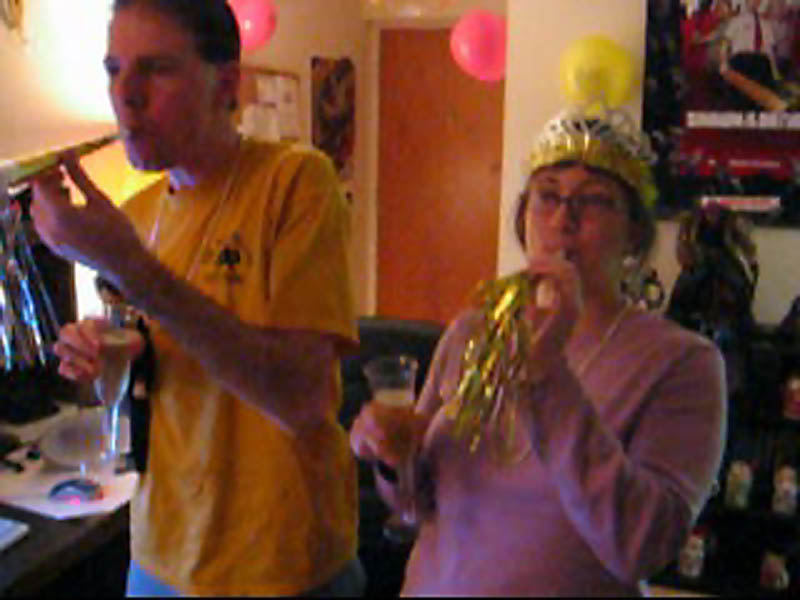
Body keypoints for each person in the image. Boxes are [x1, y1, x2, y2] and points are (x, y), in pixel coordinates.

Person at [30, 0, 363, 596]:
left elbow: (303, 398)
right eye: (114, 69)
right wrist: (105, 357)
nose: (125, 96)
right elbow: (149, 387)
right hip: (159, 555)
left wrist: (130, 268)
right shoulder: (138, 215)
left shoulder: (296, 181)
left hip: (281, 565)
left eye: (156, 69)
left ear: (225, 84)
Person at [350, 109, 727, 596]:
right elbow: (414, 505)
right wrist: (391, 454)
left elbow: (642, 544)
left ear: (634, 232)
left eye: (593, 201)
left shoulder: (682, 363)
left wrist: (545, 373)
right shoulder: (472, 331)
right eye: (547, 196)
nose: (563, 219)